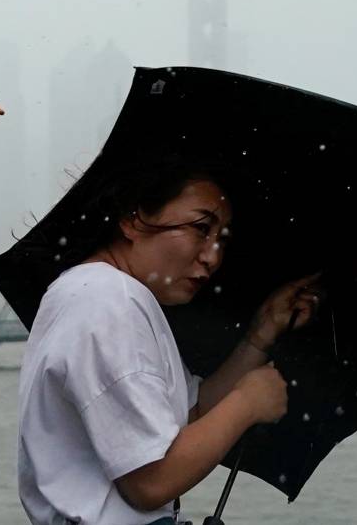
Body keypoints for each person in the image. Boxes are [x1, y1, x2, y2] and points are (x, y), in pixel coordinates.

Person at [17, 157, 320, 525]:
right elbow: (151, 481)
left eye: (221, 238)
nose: (213, 257)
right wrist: (247, 403)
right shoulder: (108, 300)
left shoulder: (106, 293)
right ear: (132, 219)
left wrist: (261, 334)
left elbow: (190, 417)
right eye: (200, 228)